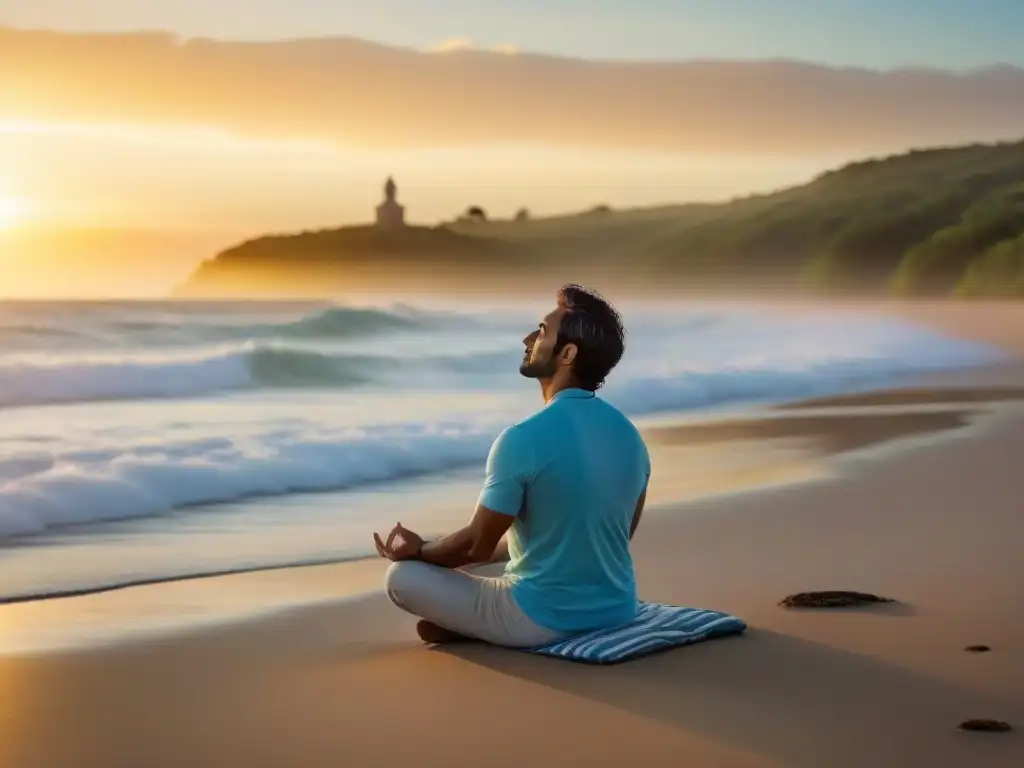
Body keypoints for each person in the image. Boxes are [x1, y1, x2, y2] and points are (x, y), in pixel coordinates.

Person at [373, 284, 651, 648]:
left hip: (540, 619)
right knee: (465, 562)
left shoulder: (522, 439)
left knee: (402, 577)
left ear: (567, 353)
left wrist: (420, 552)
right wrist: (445, 554)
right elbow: (609, 537)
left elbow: (475, 544)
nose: (528, 338)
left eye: (542, 331)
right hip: (617, 610)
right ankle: (473, 622)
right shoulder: (631, 437)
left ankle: (482, 626)